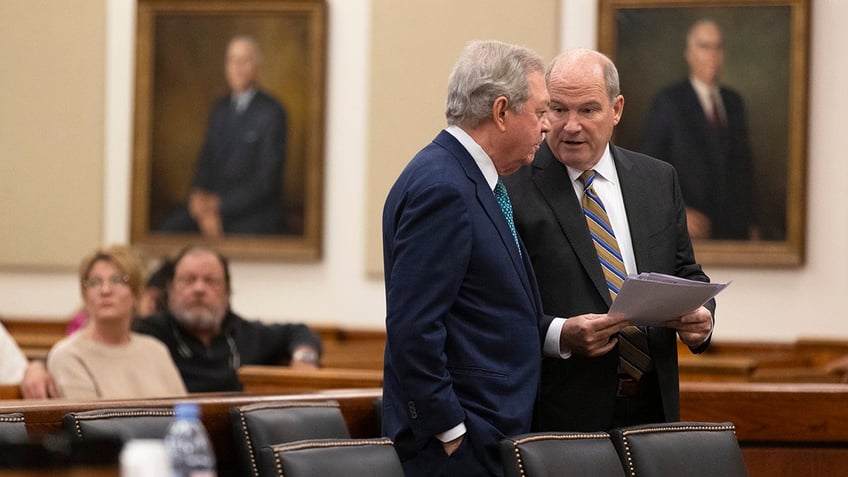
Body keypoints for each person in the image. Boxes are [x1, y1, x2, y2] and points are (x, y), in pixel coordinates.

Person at [503, 49, 715, 432]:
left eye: (587, 110)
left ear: (616, 110)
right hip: (561, 416)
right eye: (558, 109)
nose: (570, 126)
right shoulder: (512, 189)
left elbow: (687, 273)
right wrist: (560, 335)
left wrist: (703, 318)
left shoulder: (657, 179)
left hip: (654, 409)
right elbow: (495, 310)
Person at [382, 40, 552, 477]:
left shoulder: (469, 179)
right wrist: (451, 431)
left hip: (490, 435)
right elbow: (414, 326)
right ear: (501, 111)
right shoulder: (444, 186)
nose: (548, 126)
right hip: (461, 449)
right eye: (540, 112)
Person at [132, 245, 322, 393]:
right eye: (188, 280)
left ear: (227, 292)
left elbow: (299, 331)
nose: (199, 289)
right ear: (171, 290)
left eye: (210, 281)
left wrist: (303, 358)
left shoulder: (245, 333)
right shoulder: (149, 333)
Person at [158, 35, 288, 237]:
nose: (237, 67)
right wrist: (199, 200)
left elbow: (266, 182)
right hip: (211, 208)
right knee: (167, 231)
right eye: (232, 61)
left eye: (244, 61)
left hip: (251, 212)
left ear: (256, 67)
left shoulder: (272, 112)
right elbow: (206, 159)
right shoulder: (220, 108)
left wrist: (219, 206)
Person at [640, 19, 756, 240]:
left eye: (717, 47)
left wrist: (751, 223)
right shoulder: (669, 102)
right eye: (704, 46)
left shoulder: (734, 103)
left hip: (733, 230)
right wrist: (679, 211)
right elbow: (648, 167)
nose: (712, 54)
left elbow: (744, 167)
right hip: (691, 231)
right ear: (689, 55)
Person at [45, 245, 187, 399]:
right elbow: (90, 421)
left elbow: (184, 414)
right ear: (85, 297)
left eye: (117, 280)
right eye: (94, 282)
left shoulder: (156, 351)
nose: (105, 290)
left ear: (135, 293)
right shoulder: (69, 355)